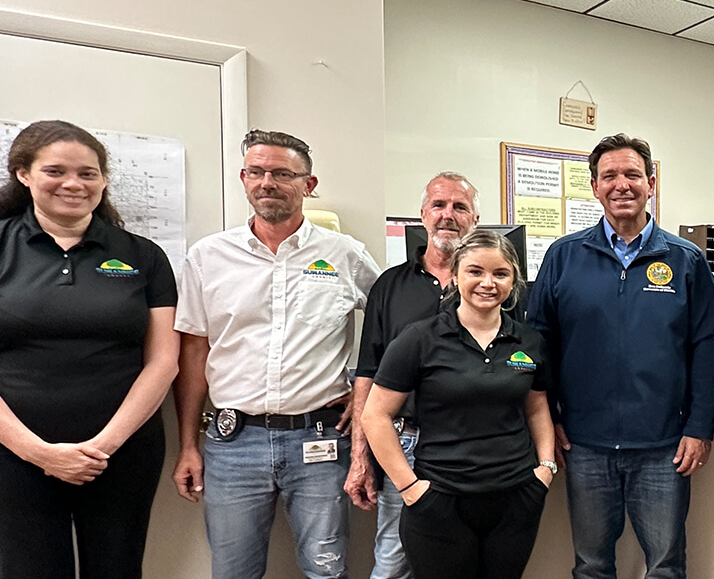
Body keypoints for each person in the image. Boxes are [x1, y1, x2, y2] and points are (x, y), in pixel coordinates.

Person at [0, 120, 179, 579]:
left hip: (123, 453)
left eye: (88, 173)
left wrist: (102, 447)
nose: (74, 184)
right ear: (23, 174)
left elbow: (163, 362)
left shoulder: (143, 256)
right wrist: (39, 452)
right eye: (55, 171)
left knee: (118, 570)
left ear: (103, 181)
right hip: (10, 454)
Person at [172, 129, 381, 579]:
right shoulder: (207, 257)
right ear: (244, 178)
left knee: (327, 571)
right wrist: (188, 444)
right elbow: (193, 354)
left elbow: (394, 325)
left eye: (282, 173)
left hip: (320, 441)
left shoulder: (345, 255)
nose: (267, 182)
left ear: (309, 184)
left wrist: (365, 394)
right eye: (257, 172)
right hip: (233, 445)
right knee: (233, 573)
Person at [526, 134, 714, 579]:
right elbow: (540, 345)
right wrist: (550, 417)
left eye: (633, 174)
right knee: (592, 565)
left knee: (666, 566)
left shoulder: (686, 260)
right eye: (609, 176)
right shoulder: (563, 257)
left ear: (651, 183)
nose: (622, 185)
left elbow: (707, 347)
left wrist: (699, 427)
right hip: (585, 443)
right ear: (594, 187)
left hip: (664, 447)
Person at [362, 228, 556, 579]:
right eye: (475, 271)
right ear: (455, 275)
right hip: (440, 499)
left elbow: (537, 406)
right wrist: (410, 488)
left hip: (515, 500)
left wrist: (545, 468)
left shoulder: (528, 341)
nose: (488, 282)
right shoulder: (420, 338)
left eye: (500, 273)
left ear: (514, 281)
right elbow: (375, 416)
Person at [347, 172, 480, 579]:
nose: (448, 215)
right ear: (422, 216)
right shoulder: (390, 285)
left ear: (475, 219)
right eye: (439, 206)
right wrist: (360, 456)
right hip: (403, 441)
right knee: (393, 559)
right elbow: (367, 373)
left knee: (467, 556)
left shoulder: (490, 286)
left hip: (472, 443)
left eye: (460, 207)